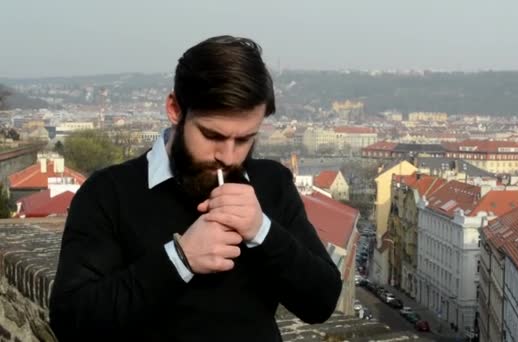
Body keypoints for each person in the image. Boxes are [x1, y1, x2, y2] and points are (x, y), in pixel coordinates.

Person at [49, 35, 342, 341]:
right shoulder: (109, 193)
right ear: (175, 110)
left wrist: (262, 231)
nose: (228, 156)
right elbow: (71, 320)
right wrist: (179, 259)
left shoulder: (271, 182)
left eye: (244, 139)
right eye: (212, 135)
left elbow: (320, 303)